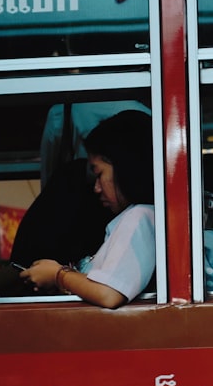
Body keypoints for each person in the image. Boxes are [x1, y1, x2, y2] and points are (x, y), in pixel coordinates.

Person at [21, 110, 156, 308]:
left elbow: (109, 294)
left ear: (125, 167)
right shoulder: (139, 217)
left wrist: (58, 275)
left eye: (99, 174)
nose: (96, 188)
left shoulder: (139, 217)